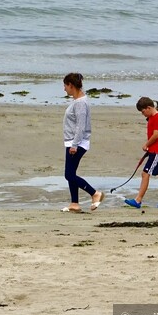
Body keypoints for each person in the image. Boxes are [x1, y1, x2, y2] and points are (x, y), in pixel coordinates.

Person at [61, 72, 104, 212]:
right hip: (73, 142)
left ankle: (94, 193)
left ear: (71, 85)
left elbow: (81, 126)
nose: (64, 89)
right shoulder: (78, 101)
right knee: (71, 173)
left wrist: (74, 145)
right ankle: (74, 203)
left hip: (77, 143)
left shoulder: (80, 103)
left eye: (65, 86)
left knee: (69, 174)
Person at [124, 97, 158, 209]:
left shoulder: (157, 117)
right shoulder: (152, 117)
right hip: (156, 150)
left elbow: (156, 135)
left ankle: (138, 200)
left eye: (143, 112)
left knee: (145, 173)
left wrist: (146, 144)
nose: (143, 114)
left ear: (148, 108)